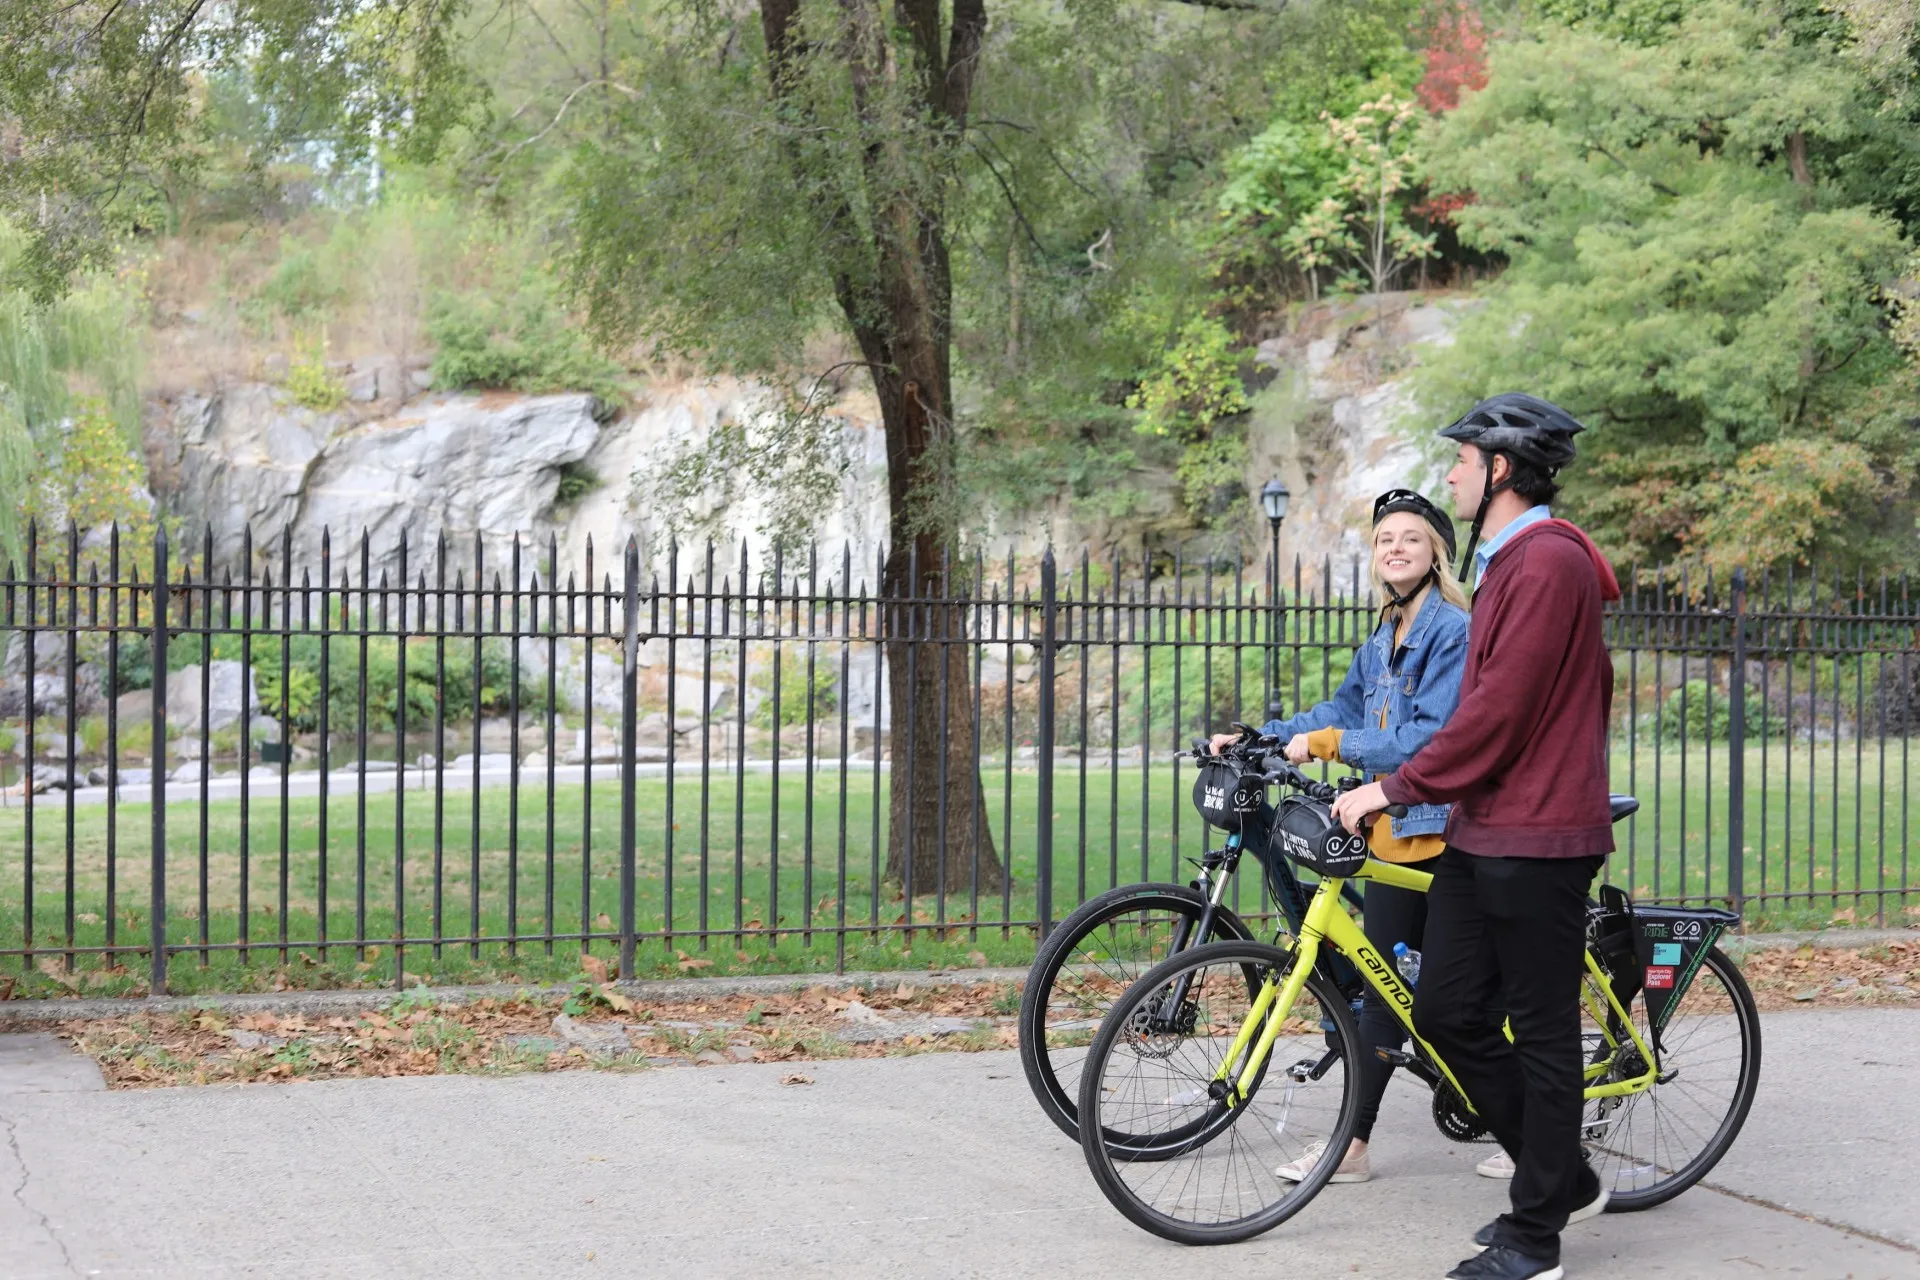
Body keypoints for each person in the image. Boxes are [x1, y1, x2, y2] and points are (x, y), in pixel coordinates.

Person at [1331, 393, 1622, 1280]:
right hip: (1485, 826)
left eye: (1461, 460)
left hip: (1537, 837)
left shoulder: (1544, 564)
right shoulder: (1508, 564)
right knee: (1446, 1010)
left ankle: (1536, 1238)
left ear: (1500, 469)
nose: (1450, 473)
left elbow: (1494, 715)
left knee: (1538, 1031)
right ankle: (1561, 1175)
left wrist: (1391, 785)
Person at [1210, 488, 1470, 1186]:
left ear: (1436, 552)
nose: (1394, 548)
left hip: (1446, 833)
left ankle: (1537, 1131)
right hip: (1391, 837)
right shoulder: (1384, 638)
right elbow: (1342, 709)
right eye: (1385, 538)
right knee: (1386, 993)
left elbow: (1429, 738)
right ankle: (1353, 1146)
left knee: (1461, 1002)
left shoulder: (1452, 631)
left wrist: (1326, 743)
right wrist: (1262, 734)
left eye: (1410, 538)